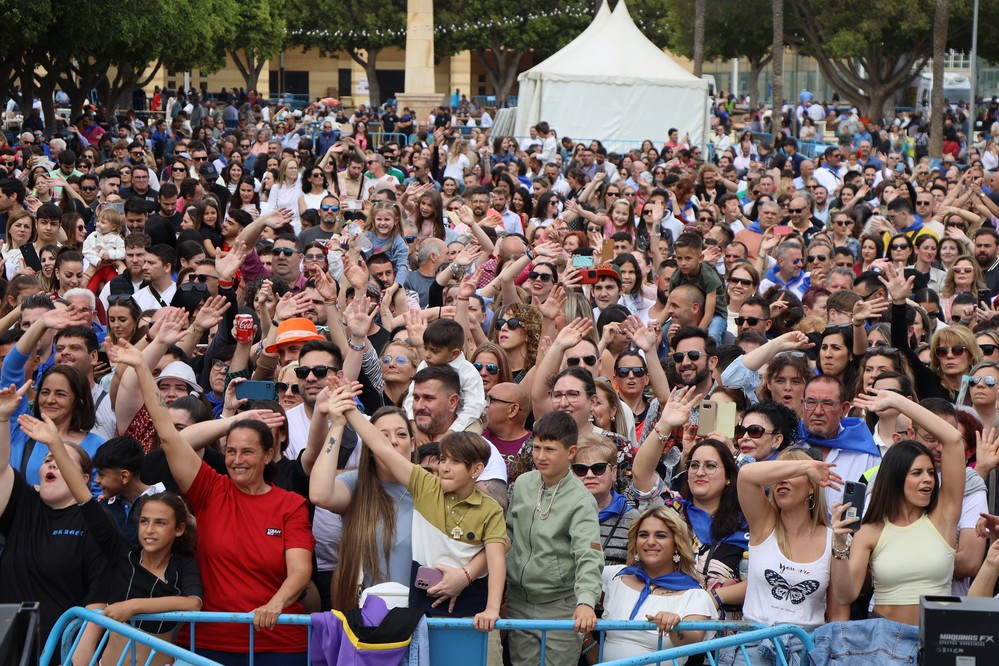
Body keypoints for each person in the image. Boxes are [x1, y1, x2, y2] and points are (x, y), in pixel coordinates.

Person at [109, 340, 314, 664]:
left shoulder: (290, 504)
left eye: (247, 452)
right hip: (207, 643)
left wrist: (276, 604)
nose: (237, 460)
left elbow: (300, 572)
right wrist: (140, 367)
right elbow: (168, 432)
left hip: (278, 643)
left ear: (269, 455)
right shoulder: (209, 488)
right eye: (231, 451)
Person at [21, 413, 201, 666]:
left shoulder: (183, 565)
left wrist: (133, 606)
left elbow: (192, 604)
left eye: (161, 523)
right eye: (144, 521)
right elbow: (84, 497)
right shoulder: (122, 555)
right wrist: (54, 444)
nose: (150, 529)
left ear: (179, 529)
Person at [330, 380, 506, 630]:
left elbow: (497, 558)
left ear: (476, 469)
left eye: (454, 462)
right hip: (423, 607)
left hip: (472, 608)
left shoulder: (489, 508)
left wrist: (491, 608)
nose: (444, 467)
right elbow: (381, 447)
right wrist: (350, 411)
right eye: (443, 459)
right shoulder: (425, 486)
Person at [829, 389, 964, 635]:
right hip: (884, 641)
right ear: (895, 478)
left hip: (937, 639)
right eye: (917, 473)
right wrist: (838, 546)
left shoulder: (943, 517)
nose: (928, 480)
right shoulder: (870, 531)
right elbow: (846, 593)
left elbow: (953, 439)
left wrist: (899, 403)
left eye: (930, 473)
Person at [0, 381, 108, 655]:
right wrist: (2, 418)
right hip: (9, 647)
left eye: (61, 460)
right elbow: (1, 471)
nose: (51, 463)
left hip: (59, 652)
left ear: (84, 478)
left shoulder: (95, 522)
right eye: (48, 458)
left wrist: (76, 661)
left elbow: (98, 603)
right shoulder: (24, 503)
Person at [720, 448, 848, 665]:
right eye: (778, 476)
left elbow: (839, 613)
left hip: (806, 649)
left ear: (811, 486)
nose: (781, 481)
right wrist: (805, 466)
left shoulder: (833, 537)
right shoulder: (764, 524)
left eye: (791, 475)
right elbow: (746, 475)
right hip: (753, 646)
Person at [505, 411, 603, 666]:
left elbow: (588, 554)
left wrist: (585, 602)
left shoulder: (581, 500)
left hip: (560, 605)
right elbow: (506, 536)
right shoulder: (524, 483)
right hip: (518, 600)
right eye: (536, 447)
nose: (540, 456)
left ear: (571, 452)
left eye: (549, 449)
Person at [598, 506, 716, 664]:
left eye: (660, 536)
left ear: (676, 544)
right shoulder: (614, 576)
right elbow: (568, 596)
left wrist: (675, 627)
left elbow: (692, 643)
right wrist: (589, 647)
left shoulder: (695, 595)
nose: (650, 542)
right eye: (643, 535)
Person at [574, 435, 639, 566]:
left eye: (598, 468)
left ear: (613, 471)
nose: (589, 475)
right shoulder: (562, 514)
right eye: (581, 469)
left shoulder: (634, 520)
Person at [670, 233, 727, 343]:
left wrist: (696, 336)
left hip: (716, 314)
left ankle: (714, 358)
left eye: (688, 258)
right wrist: (658, 324)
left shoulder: (709, 277)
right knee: (665, 332)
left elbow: (709, 314)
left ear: (700, 258)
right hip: (690, 313)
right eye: (679, 258)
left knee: (713, 335)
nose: (683, 263)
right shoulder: (676, 276)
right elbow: (670, 305)